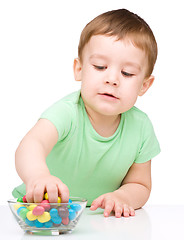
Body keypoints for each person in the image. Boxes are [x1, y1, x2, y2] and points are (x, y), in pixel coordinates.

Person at [12, 8, 160, 218]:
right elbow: (30, 145)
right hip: (40, 211)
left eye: (127, 73)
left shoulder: (141, 127)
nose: (112, 79)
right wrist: (38, 177)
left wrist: (123, 197)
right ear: (79, 69)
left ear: (144, 85)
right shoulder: (67, 112)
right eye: (100, 67)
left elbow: (140, 184)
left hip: (100, 217)